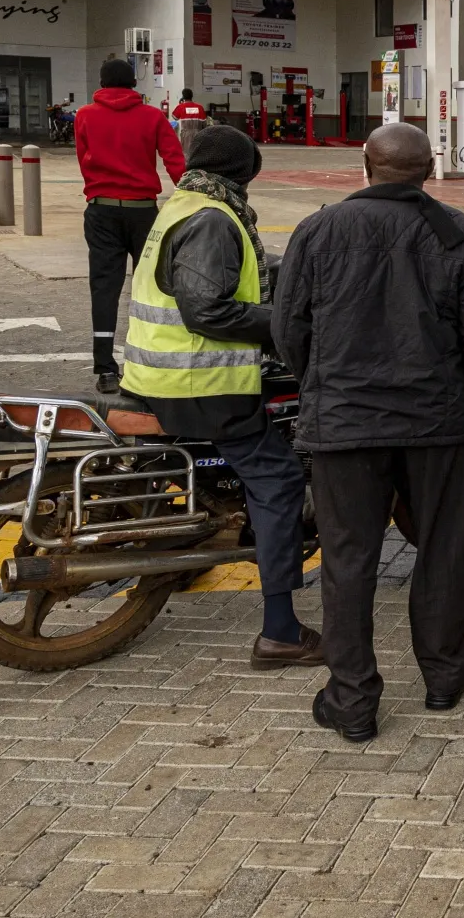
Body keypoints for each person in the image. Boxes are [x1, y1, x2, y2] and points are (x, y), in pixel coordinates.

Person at [271, 122, 464, 742]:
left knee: (348, 562)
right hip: (437, 423)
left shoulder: (318, 230)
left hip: (345, 426)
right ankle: (445, 676)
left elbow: (289, 329)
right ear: (429, 170)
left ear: (364, 165)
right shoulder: (457, 232)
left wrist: (322, 385)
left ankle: (352, 702)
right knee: (442, 550)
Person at [118, 126, 320, 669]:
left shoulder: (188, 202)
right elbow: (207, 309)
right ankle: (280, 630)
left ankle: (188, 554)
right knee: (277, 480)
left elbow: (243, 272)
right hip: (197, 383)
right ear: (244, 171)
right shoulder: (213, 219)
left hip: (156, 376)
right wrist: (287, 324)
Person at [76, 57, 186, 394]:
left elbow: (84, 158)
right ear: (133, 84)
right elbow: (175, 161)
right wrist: (187, 198)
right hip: (143, 213)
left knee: (104, 289)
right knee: (150, 289)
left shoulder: (84, 116)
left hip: (102, 211)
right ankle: (148, 360)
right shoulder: (153, 117)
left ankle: (106, 369)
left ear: (102, 82)